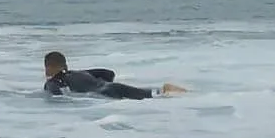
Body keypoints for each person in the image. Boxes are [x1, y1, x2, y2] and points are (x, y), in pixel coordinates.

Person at [42, 50, 187, 100]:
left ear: (48, 68)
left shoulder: (54, 81)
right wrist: (99, 84)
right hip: (112, 86)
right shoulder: (80, 72)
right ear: (65, 65)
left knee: (155, 100)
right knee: (155, 95)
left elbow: (56, 95)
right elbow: (108, 73)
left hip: (105, 93)